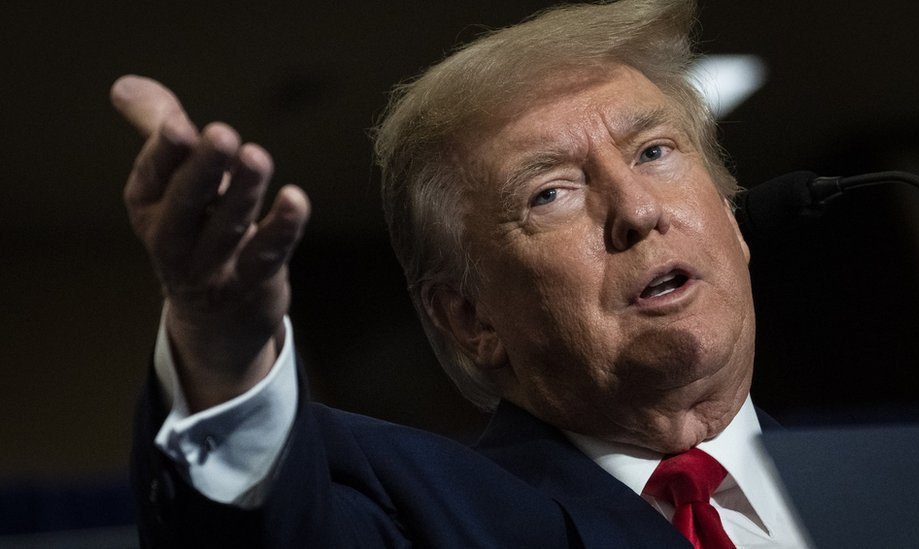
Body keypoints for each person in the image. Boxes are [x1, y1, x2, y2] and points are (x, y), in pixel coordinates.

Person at [114, 0, 808, 546]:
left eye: (654, 151)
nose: (636, 210)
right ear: (471, 319)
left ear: (731, 215)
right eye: (550, 193)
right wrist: (218, 347)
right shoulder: (420, 517)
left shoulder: (899, 477)